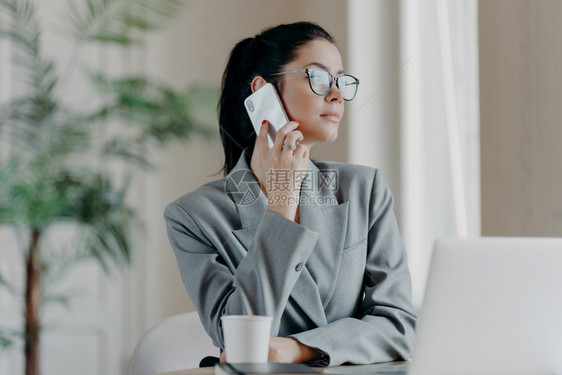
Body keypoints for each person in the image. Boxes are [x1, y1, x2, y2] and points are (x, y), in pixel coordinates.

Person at [164, 21, 416, 366]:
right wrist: (281, 204)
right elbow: (235, 339)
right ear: (262, 92)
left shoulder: (364, 190)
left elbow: (399, 325)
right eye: (319, 77)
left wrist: (300, 349)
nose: (337, 94)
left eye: (341, 80)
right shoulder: (193, 217)